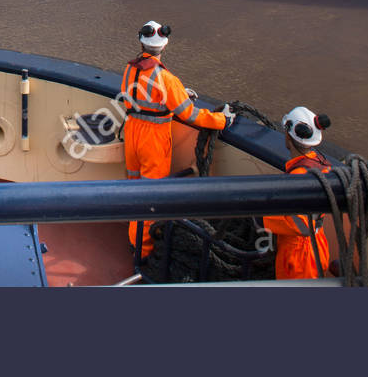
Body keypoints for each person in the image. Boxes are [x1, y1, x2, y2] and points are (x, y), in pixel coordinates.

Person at [120, 20, 234, 259]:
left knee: (135, 190)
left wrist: (180, 92)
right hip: (153, 139)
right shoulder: (166, 78)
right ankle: (143, 253)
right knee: (151, 197)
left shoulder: (131, 68)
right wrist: (222, 121)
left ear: (141, 41)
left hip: (132, 132)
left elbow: (139, 95)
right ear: (165, 45)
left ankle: (133, 240)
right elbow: (189, 114)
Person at [262, 106, 334, 279]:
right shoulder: (319, 165)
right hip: (317, 246)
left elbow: (301, 225)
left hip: (299, 257)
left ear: (288, 135)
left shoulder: (298, 177)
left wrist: (261, 216)